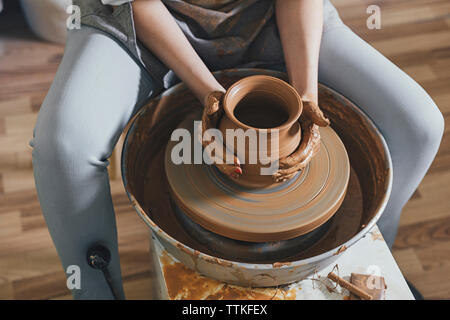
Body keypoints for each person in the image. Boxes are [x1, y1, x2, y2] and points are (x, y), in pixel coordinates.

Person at [30, 0, 444, 299]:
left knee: (419, 125)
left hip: (264, 13)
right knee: (63, 148)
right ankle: (96, 294)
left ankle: (366, 261)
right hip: (138, 19)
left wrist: (306, 97)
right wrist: (211, 95)